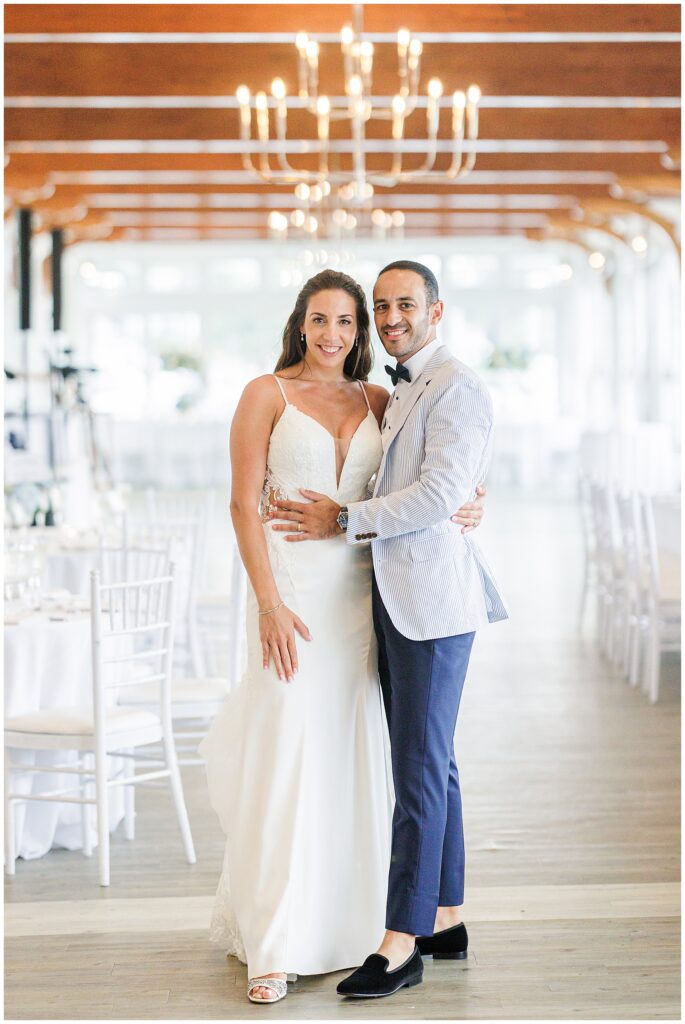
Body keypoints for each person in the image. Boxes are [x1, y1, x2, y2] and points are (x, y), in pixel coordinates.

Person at [200, 268, 485, 1004]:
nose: (335, 334)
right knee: (288, 752)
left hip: (364, 600)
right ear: (300, 323)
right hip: (292, 596)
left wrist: (469, 502)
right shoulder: (264, 393)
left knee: (355, 760)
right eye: (322, 320)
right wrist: (265, 602)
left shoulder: (379, 398)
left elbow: (428, 478)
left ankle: (356, 923)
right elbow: (239, 504)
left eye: (349, 322)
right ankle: (272, 940)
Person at [271, 260, 508, 999]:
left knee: (414, 772)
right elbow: (427, 482)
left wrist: (345, 518)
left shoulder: (457, 384)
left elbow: (437, 492)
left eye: (404, 304)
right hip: (393, 596)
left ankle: (399, 943)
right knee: (432, 764)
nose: (391, 317)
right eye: (383, 306)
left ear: (437, 310)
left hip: (433, 604)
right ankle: (445, 916)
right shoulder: (403, 386)